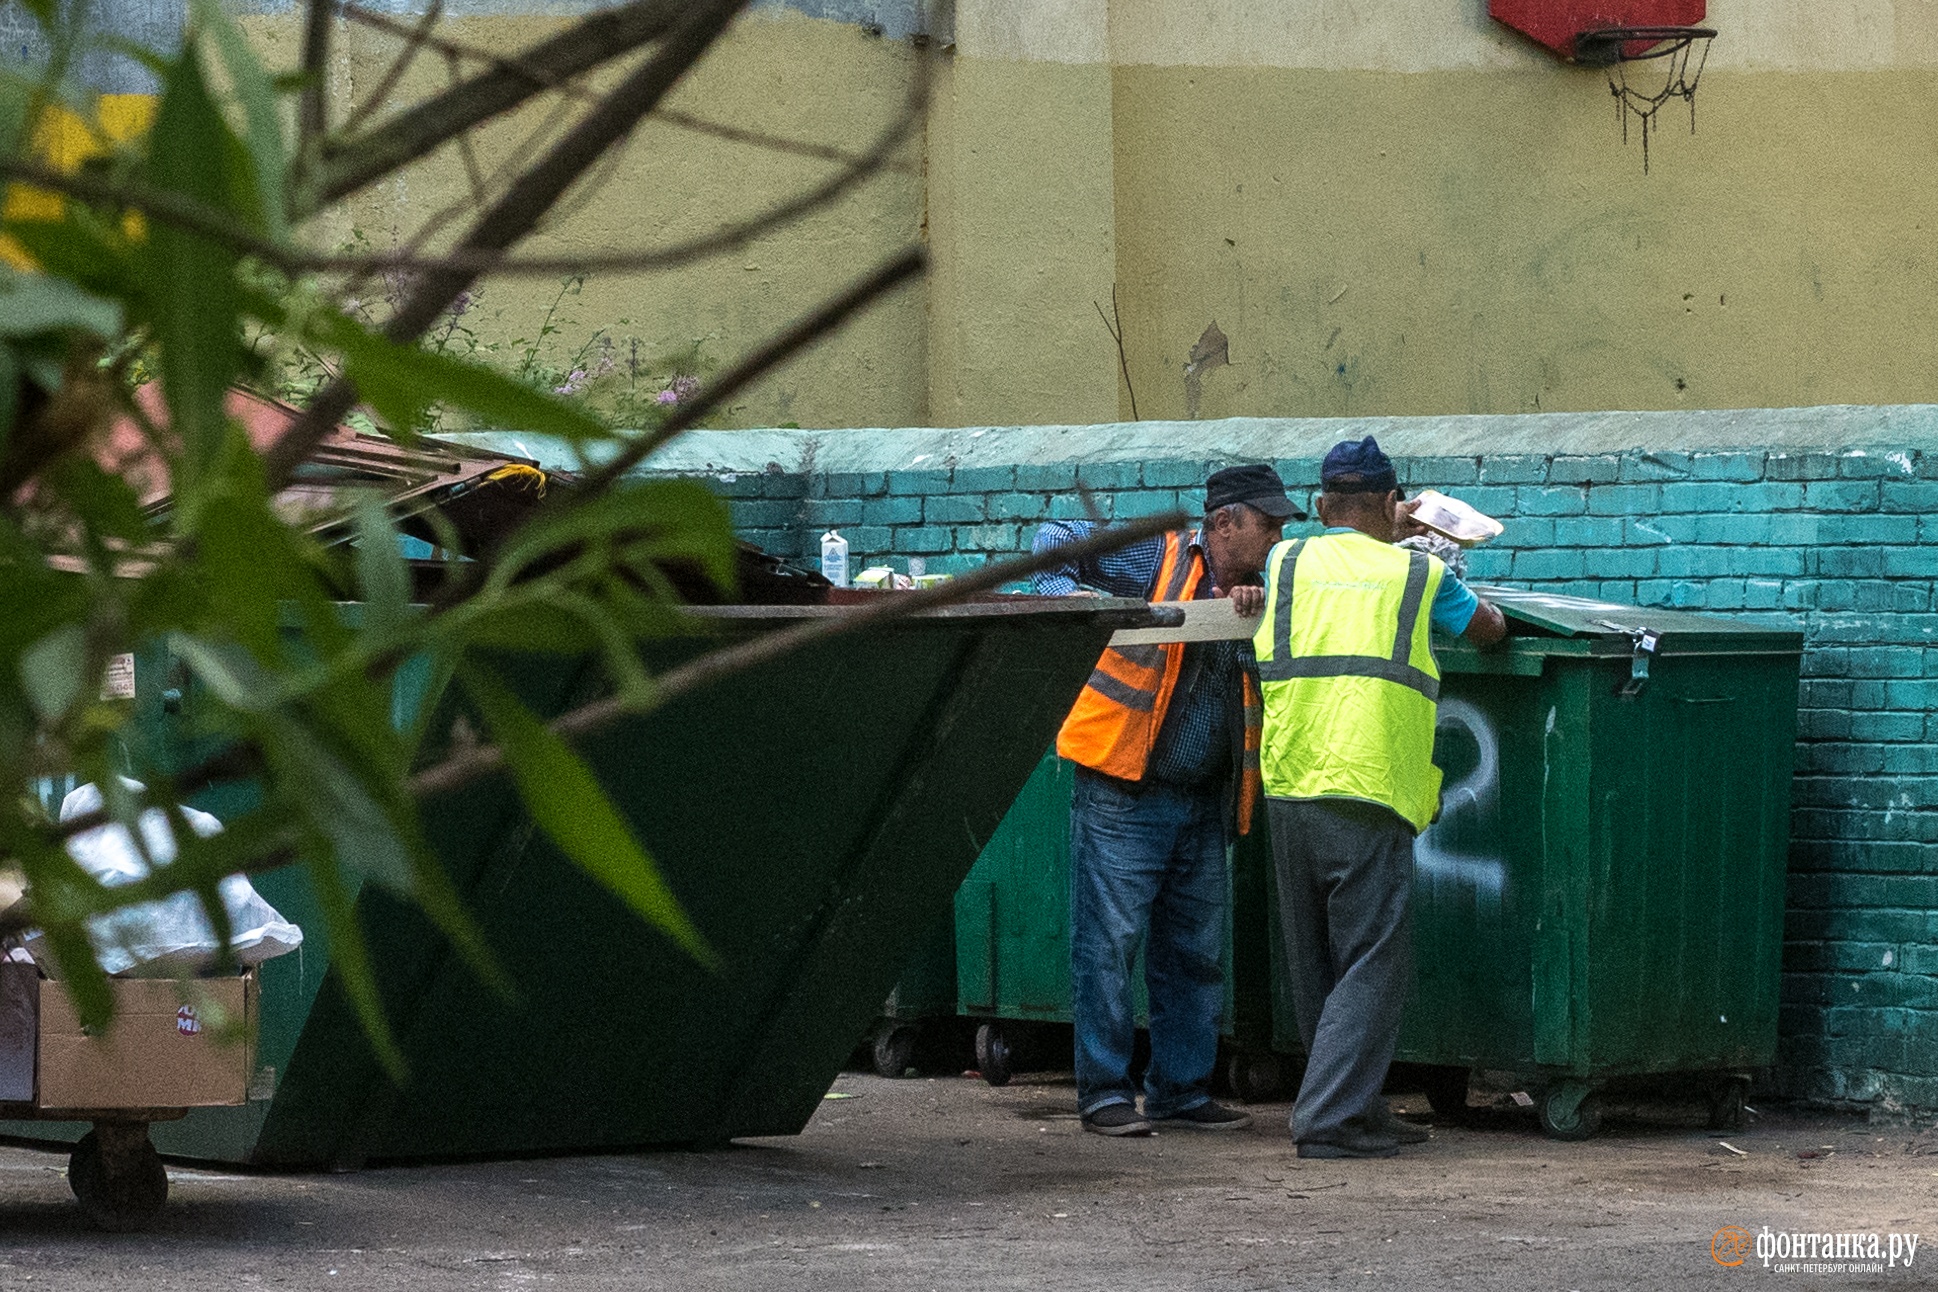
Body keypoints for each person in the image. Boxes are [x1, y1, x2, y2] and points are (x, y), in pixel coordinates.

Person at [1252, 436, 1507, 1159]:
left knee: (1317, 966)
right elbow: (1489, 630)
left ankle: (1350, 1105)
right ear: (1394, 505)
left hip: (1291, 775)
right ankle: (1330, 1121)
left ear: (1324, 505)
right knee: (1370, 961)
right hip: (1367, 783)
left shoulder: (1285, 559)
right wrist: (1413, 541)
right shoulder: (1419, 576)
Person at [1033, 465, 1303, 1137]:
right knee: (1108, 948)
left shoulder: (1259, 589)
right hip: (1125, 791)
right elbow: (1054, 538)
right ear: (1222, 525)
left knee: (1193, 954)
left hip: (1204, 799)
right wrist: (1075, 610)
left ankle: (1181, 1091)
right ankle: (1104, 1094)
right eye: (1265, 526)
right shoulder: (1155, 557)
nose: (1274, 538)